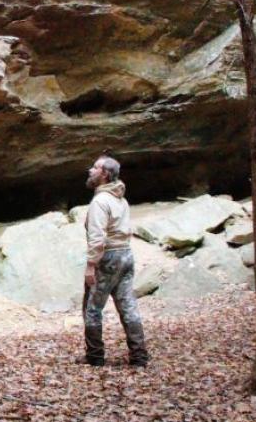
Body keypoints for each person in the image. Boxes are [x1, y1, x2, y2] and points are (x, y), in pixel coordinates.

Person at [81, 154, 149, 367]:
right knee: (128, 305)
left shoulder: (100, 201)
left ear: (105, 174)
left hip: (108, 258)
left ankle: (95, 357)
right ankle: (139, 356)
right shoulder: (121, 199)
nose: (90, 171)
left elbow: (98, 237)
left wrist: (91, 265)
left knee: (92, 307)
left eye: (95, 168)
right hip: (126, 255)